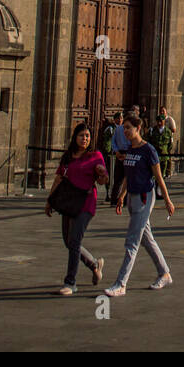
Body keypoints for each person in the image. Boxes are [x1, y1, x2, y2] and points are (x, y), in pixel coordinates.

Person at [104, 116, 175, 295]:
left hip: (144, 197)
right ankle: (164, 273)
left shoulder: (148, 150)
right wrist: (121, 195)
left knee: (132, 241)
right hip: (132, 197)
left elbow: (158, 177)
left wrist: (167, 200)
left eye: (128, 128)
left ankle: (121, 283)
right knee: (146, 238)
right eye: (124, 128)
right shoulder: (129, 148)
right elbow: (129, 175)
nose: (125, 131)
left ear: (138, 128)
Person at [46, 122, 109, 295]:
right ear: (75, 137)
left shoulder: (96, 156)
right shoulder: (68, 156)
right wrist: (49, 201)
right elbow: (59, 178)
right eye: (82, 135)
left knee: (74, 241)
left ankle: (70, 282)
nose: (85, 139)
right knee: (69, 242)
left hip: (86, 203)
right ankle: (94, 264)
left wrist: (102, 174)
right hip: (68, 201)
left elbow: (103, 180)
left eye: (88, 136)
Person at [158, 106, 178, 176]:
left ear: (166, 112)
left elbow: (174, 129)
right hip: (160, 141)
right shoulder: (159, 119)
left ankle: (168, 172)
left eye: (163, 111)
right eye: (161, 111)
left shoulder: (170, 119)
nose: (162, 112)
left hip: (168, 139)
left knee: (168, 156)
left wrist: (166, 130)